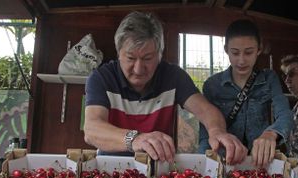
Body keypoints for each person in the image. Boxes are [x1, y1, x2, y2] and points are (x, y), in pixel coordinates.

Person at [84, 11, 247, 164]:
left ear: (160, 54)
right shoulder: (101, 78)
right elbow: (92, 129)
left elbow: (206, 111)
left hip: (159, 164)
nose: (139, 69)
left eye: (148, 58)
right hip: (111, 167)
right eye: (131, 58)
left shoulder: (173, 76)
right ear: (119, 53)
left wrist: (217, 131)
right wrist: (135, 139)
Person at [198, 19, 293, 167]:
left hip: (260, 161)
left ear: (259, 50)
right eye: (235, 53)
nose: (241, 60)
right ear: (226, 49)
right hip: (225, 161)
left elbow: (285, 115)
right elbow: (205, 134)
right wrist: (206, 163)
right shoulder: (212, 85)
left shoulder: (269, 79)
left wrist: (270, 134)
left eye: (248, 52)